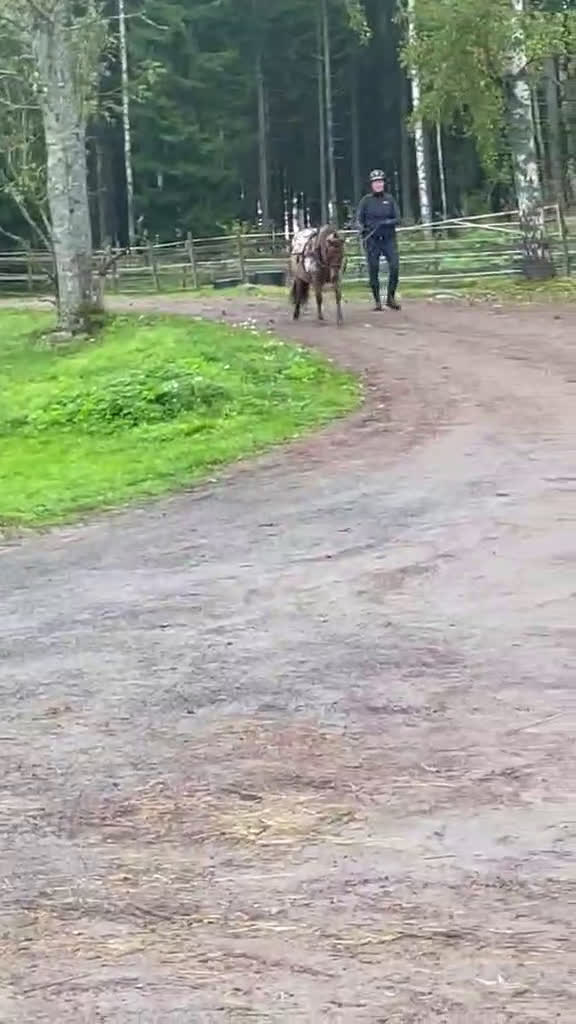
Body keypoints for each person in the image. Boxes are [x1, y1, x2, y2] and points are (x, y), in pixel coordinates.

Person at [356, 170, 401, 311]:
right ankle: (377, 301)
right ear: (372, 185)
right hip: (372, 240)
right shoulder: (365, 201)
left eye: (380, 181)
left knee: (394, 267)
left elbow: (398, 219)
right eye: (375, 182)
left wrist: (386, 222)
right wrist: (362, 228)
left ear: (383, 183)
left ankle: (390, 297)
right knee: (373, 269)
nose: (378, 184)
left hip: (388, 238)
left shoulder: (390, 199)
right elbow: (358, 220)